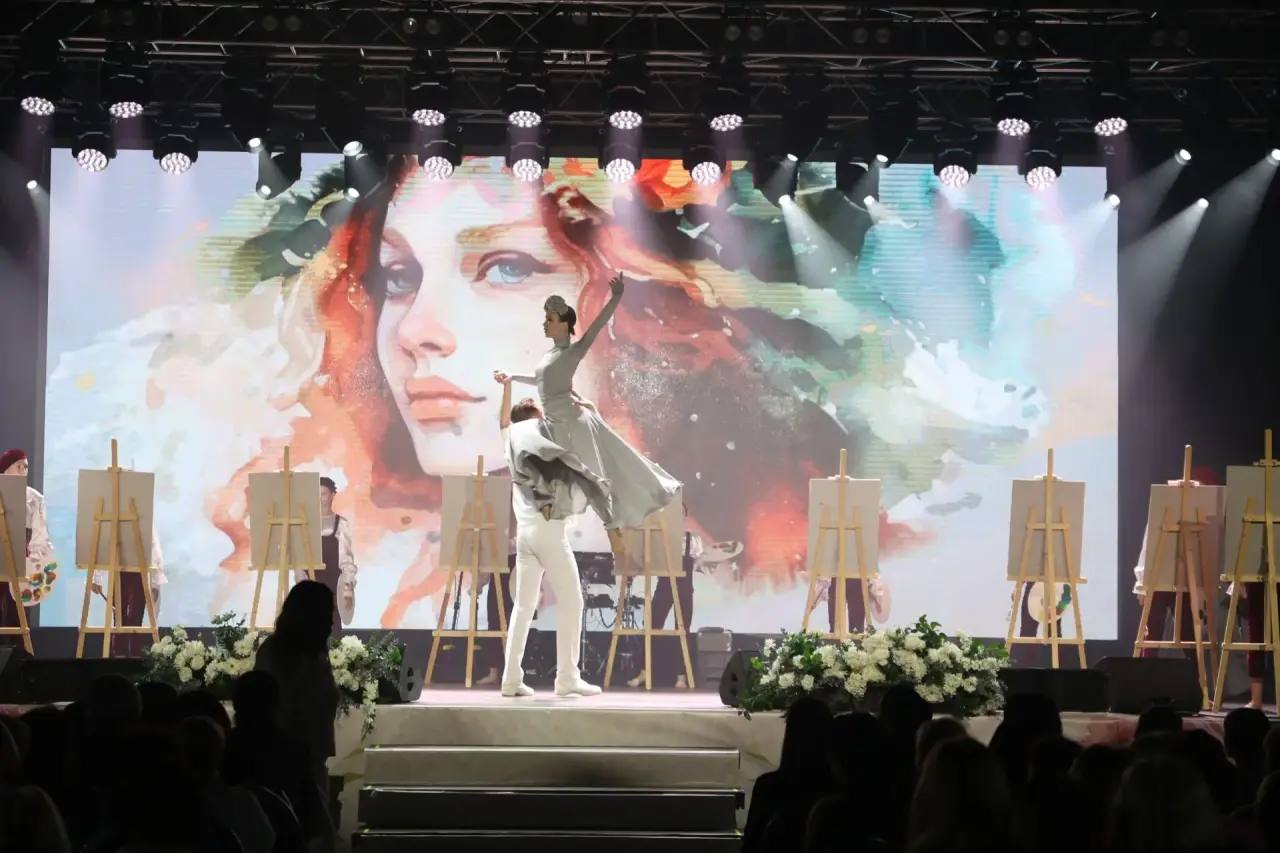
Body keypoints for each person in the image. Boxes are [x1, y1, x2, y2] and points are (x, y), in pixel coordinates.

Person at [495, 271, 683, 555]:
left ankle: (613, 531)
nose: (545, 324)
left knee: (591, 476)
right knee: (548, 465)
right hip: (554, 423)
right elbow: (542, 382)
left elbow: (597, 325)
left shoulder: (572, 352)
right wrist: (512, 377)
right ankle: (554, 514)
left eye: (550, 319)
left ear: (564, 324)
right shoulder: (549, 356)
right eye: (546, 319)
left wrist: (616, 297)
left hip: (573, 422)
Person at [496, 374, 605, 698]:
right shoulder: (535, 443)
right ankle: (567, 677)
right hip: (547, 532)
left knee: (523, 607)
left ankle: (511, 679)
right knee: (572, 601)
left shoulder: (512, 441)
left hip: (526, 535)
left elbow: (503, 422)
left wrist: (507, 386)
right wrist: (587, 410)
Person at [253, 581, 340, 786]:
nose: (331, 622)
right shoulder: (276, 653)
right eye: (326, 614)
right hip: (284, 766)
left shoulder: (317, 656)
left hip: (312, 761)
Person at [0, 449, 58, 631]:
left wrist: (36, 562)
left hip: (20, 562)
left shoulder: (34, 498)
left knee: (16, 617)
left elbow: (40, 536)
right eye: (18, 466)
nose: (23, 470)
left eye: (26, 467)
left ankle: (16, 647)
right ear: (5, 469)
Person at [92, 521, 165, 658]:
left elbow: (152, 543)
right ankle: (119, 652)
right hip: (119, 567)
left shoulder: (143, 517)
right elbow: (106, 542)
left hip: (140, 568)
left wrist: (156, 580)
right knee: (119, 615)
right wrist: (96, 577)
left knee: (135, 615)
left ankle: (133, 653)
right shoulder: (113, 515)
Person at [316, 476, 358, 630]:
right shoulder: (306, 523)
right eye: (317, 494)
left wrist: (348, 584)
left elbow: (347, 558)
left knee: (332, 626)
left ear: (332, 495)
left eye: (323, 494)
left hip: (332, 585)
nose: (320, 498)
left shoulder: (341, 523)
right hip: (310, 583)